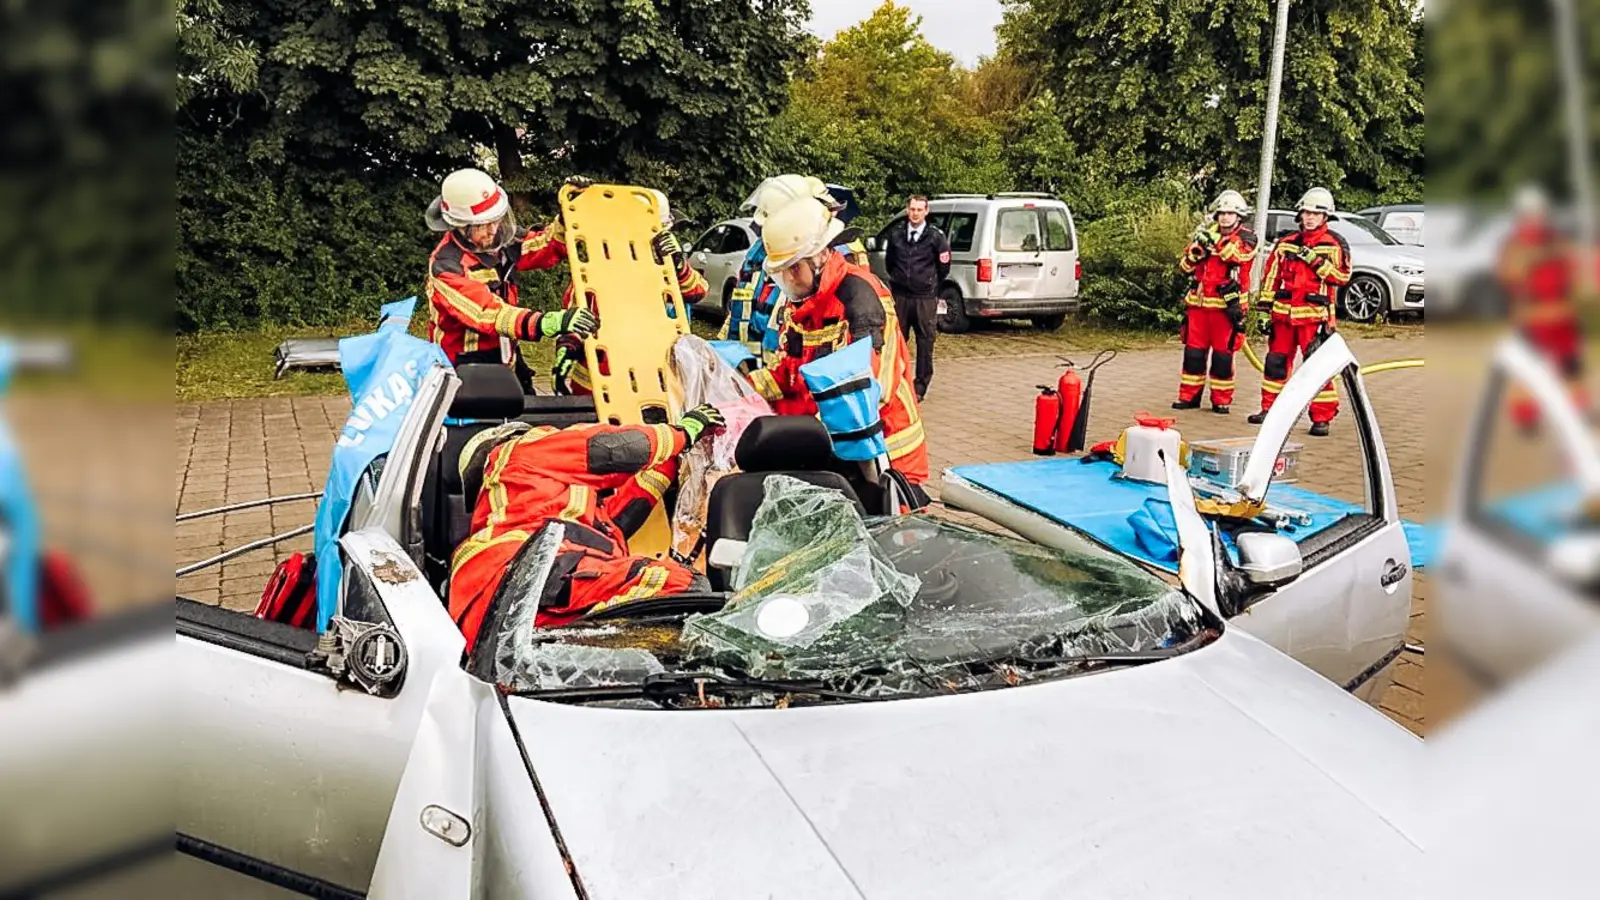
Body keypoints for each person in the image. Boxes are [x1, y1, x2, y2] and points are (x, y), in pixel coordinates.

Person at [447, 405, 725, 650]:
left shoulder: (553, 502)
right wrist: (681, 432)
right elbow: (613, 448)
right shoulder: (517, 450)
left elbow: (631, 506)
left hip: (509, 618)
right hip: (527, 578)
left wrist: (674, 457)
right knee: (684, 588)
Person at [748, 196, 930, 485]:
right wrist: (740, 387)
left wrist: (801, 437)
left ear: (820, 257)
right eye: (782, 271)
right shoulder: (803, 302)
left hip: (885, 457)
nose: (789, 279)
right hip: (832, 451)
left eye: (794, 268)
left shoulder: (862, 301)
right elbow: (788, 373)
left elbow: (871, 392)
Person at [425, 168, 597, 393]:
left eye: (495, 220)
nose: (492, 230)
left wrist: (568, 217)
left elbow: (543, 246)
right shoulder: (447, 266)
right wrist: (547, 322)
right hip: (464, 370)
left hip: (505, 356)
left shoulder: (499, 241)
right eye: (483, 225)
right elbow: (490, 313)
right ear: (461, 227)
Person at [552, 188, 708, 395]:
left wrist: (679, 264)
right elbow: (578, 311)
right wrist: (568, 346)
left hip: (653, 377)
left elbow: (697, 291)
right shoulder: (599, 263)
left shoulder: (664, 265)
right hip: (600, 381)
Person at [1248, 187, 1352, 436]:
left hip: (1314, 319)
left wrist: (1315, 261)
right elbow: (1271, 276)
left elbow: (1342, 277)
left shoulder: (1334, 245)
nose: (1309, 218)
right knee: (1275, 364)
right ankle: (1269, 410)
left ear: (1325, 216)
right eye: (1306, 213)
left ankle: (1322, 417)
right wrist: (1264, 309)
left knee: (1316, 368)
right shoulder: (1286, 243)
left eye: (1315, 214)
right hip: (1283, 316)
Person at [1497, 184, 1589, 430]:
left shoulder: (1554, 240)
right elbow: (1510, 275)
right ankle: (1526, 416)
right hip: (1533, 317)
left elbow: (1572, 272)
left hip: (1560, 315)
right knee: (1531, 371)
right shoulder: (1517, 244)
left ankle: (1577, 411)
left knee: (1571, 368)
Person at [1174, 190, 1257, 414]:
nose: (1225, 217)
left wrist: (1216, 243)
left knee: (1222, 355)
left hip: (1226, 308)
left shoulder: (1248, 237)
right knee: (1193, 354)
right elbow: (1185, 267)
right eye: (1222, 213)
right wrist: (1195, 253)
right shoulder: (1204, 235)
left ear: (1239, 216)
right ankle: (1188, 396)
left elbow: (1237, 256)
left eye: (1230, 213)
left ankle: (1221, 400)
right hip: (1199, 306)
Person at [883, 194, 951, 401]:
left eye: (919, 210)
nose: (915, 214)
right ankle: (897, 381)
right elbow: (890, 263)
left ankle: (920, 386)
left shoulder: (936, 237)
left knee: (925, 342)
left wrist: (929, 283)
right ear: (907, 209)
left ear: (926, 212)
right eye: (912, 209)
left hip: (924, 298)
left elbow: (944, 267)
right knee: (898, 340)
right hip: (901, 296)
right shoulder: (896, 235)